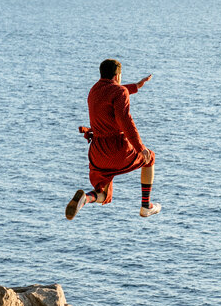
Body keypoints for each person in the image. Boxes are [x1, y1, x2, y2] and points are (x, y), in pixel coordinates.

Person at [66, 59, 160, 219]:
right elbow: (126, 122)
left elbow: (110, 94)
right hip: (118, 150)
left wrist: (136, 86)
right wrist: (140, 147)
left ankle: (85, 199)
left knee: (102, 192)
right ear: (117, 76)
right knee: (149, 158)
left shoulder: (94, 90)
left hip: (98, 154)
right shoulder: (119, 92)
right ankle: (146, 206)